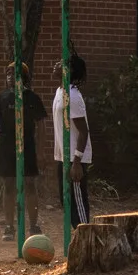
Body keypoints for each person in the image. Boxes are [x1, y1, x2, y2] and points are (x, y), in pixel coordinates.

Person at [51, 54, 93, 227]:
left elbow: (83, 132)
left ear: (70, 70)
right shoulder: (60, 91)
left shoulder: (73, 96)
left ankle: (86, 240)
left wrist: (77, 161)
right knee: (66, 202)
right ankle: (78, 241)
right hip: (63, 156)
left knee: (78, 205)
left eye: (61, 63)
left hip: (75, 158)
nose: (56, 64)